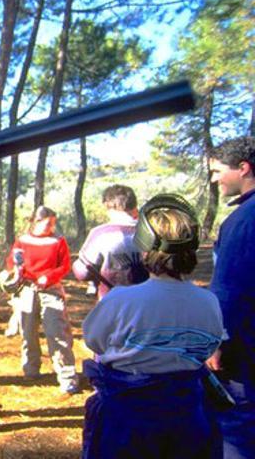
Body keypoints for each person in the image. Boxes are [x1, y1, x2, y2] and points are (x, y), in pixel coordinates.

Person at [81, 194, 224, 459]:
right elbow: (209, 346)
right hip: (187, 418)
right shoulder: (208, 302)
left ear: (145, 249)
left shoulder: (121, 299)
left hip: (127, 420)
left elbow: (94, 340)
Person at [205, 135, 255, 458]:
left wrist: (218, 341)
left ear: (243, 167)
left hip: (245, 352)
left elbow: (230, 288)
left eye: (218, 171)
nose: (214, 179)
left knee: (237, 433)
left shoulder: (242, 221)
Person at [3, 206, 79, 395]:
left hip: (51, 289)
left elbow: (64, 265)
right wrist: (15, 271)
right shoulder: (22, 241)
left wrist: (49, 277)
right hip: (27, 289)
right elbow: (12, 262)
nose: (51, 227)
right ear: (36, 221)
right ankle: (31, 370)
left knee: (57, 332)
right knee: (28, 331)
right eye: (48, 223)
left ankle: (67, 376)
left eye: (53, 223)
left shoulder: (58, 241)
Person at [72, 184, 148, 300]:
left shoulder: (101, 234)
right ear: (135, 205)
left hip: (112, 302)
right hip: (149, 303)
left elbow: (83, 272)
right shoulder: (152, 232)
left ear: (108, 205)